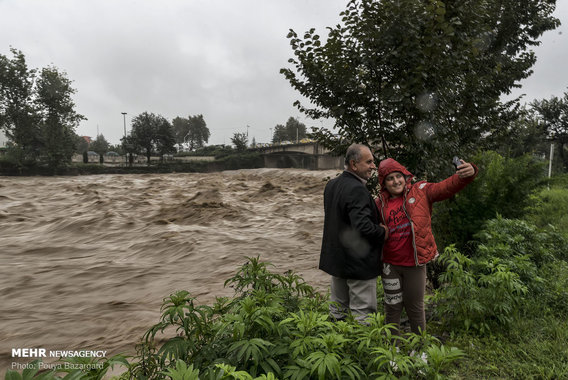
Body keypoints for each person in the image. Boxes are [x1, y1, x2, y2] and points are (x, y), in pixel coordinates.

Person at [375, 157, 477, 334]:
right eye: (389, 179)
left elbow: (445, 187)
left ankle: (419, 349)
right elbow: (367, 225)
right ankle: (393, 350)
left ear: (405, 176)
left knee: (415, 308)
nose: (395, 181)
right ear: (384, 183)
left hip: (415, 264)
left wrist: (467, 175)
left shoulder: (421, 191)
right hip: (390, 266)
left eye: (398, 176)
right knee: (392, 308)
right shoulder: (379, 203)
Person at [319, 143, 388, 322]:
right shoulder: (357, 189)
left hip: (337, 261)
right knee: (363, 314)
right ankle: (362, 349)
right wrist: (382, 232)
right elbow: (363, 228)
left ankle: (335, 347)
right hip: (358, 264)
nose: (374, 166)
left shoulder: (332, 185)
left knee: (337, 311)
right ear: (354, 164)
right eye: (369, 162)